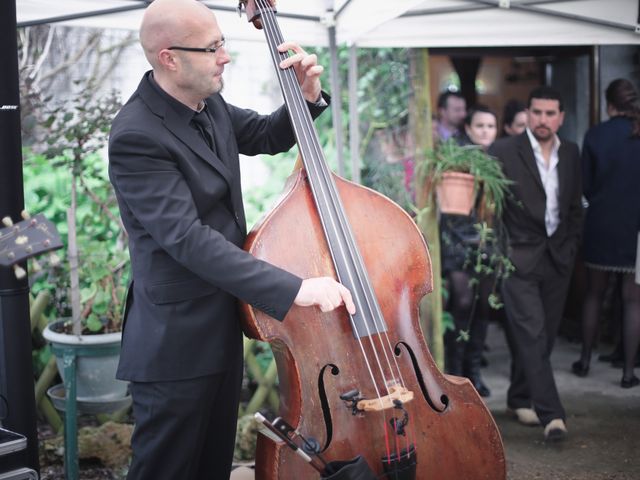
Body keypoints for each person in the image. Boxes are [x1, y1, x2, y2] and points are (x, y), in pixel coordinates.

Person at [108, 1, 355, 478]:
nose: (225, 56)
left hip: (221, 329)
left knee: (210, 468)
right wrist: (295, 287)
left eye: (222, 42)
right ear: (169, 57)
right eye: (213, 47)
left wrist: (306, 96)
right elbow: (187, 239)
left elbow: (264, 134)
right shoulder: (136, 135)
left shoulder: (208, 102)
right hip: (174, 345)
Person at [489, 86, 583, 442]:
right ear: (528, 114)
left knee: (542, 338)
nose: (543, 120)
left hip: (558, 258)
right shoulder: (502, 150)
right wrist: (501, 252)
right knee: (532, 332)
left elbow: (574, 207)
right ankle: (552, 415)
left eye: (550, 113)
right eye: (537, 112)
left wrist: (571, 247)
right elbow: (490, 207)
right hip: (518, 258)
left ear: (561, 117)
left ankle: (517, 397)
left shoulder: (571, 152)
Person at [571, 78, 640, 388]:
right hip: (636, 227)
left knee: (594, 295)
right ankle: (627, 373)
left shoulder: (596, 134)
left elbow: (584, 185)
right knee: (633, 301)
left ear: (609, 104)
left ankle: (585, 360)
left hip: (601, 223)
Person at [441, 106, 498, 397]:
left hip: (488, 246)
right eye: (481, 125)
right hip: (457, 243)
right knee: (462, 303)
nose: (486, 131)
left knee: (482, 307)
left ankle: (474, 373)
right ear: (470, 129)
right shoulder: (459, 159)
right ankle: (455, 371)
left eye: (491, 126)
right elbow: (450, 209)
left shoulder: (498, 161)